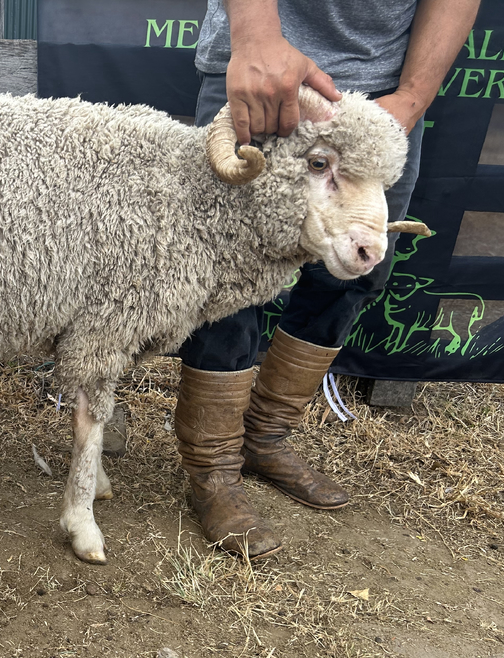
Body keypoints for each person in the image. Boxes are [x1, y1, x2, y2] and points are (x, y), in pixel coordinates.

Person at [175, 0, 481, 559]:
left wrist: (413, 96)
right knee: (228, 280)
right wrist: (256, 37)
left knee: (357, 266)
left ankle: (265, 438)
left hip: (381, 95)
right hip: (265, 79)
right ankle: (212, 467)